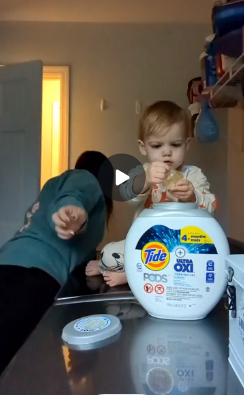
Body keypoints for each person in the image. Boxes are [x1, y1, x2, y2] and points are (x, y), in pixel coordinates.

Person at [0, 150, 113, 374]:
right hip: (32, 276)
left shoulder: (51, 186)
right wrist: (73, 213)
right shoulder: (85, 179)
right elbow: (73, 196)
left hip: (7, 264)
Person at [86, 101, 217, 286]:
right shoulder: (142, 173)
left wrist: (192, 197)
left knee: (194, 264)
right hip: (143, 244)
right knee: (108, 253)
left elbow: (211, 207)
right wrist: (145, 180)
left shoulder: (194, 175)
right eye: (156, 146)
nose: (166, 153)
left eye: (175, 144)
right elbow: (130, 197)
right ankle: (108, 266)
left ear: (187, 145)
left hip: (180, 247)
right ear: (143, 147)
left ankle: (130, 275)